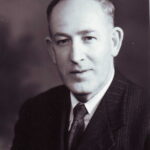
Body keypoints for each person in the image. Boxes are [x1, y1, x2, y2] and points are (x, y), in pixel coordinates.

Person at [11, 0, 150, 150]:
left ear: (114, 42)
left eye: (89, 38)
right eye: (63, 41)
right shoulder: (34, 112)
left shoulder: (145, 117)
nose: (76, 57)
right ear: (52, 51)